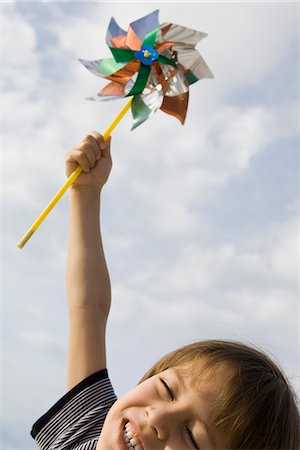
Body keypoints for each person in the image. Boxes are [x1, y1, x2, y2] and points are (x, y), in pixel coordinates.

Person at [30, 132, 300, 450]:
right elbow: (88, 308)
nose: (157, 418)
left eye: (192, 436)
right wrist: (86, 194)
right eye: (166, 388)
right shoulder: (87, 427)